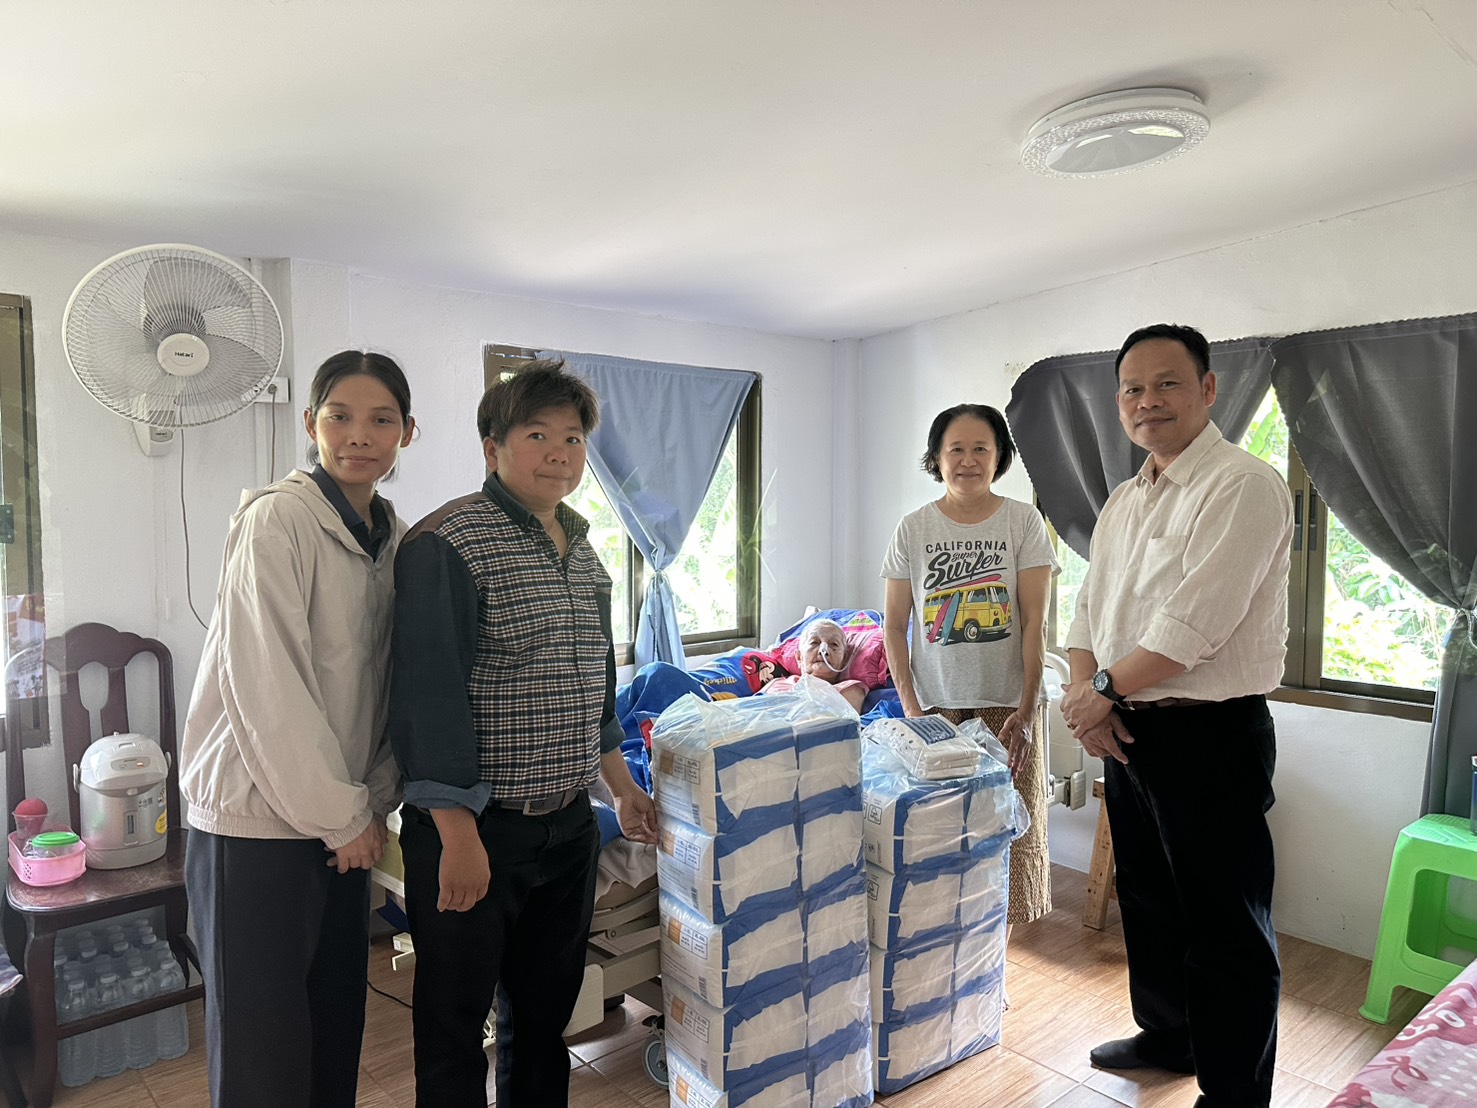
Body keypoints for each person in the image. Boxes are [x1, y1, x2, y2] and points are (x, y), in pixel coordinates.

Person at [387, 359, 658, 1107]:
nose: (558, 454)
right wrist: (458, 836)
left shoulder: (583, 547)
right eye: (537, 435)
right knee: (453, 1026)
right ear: (492, 447)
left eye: (572, 439)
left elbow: (593, 685)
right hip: (478, 831)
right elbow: (427, 699)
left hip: (568, 828)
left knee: (544, 1022)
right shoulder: (448, 543)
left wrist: (620, 786)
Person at [1060, 323, 1293, 1108]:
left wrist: (1098, 693)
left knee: (1225, 925)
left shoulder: (1242, 485)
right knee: (1150, 900)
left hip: (1210, 734)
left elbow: (1196, 625)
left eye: (1166, 383)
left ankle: (1233, 1095)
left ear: (1207, 388)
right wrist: (1088, 698)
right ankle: (1170, 1037)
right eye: (1132, 389)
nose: (1146, 401)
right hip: (1127, 727)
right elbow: (1088, 609)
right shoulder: (1125, 498)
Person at [181, 350, 415, 1108]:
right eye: (340, 416)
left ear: (407, 432)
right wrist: (346, 815)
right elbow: (268, 686)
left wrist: (369, 803)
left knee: (331, 1031)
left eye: (381, 419)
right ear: (310, 423)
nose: (360, 436)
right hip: (255, 824)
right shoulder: (276, 522)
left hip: (342, 824)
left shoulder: (392, 537)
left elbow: (386, 684)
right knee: (262, 1053)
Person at [880, 403, 1059, 937]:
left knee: (1007, 836)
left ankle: (991, 964)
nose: (968, 460)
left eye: (981, 448)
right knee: (940, 837)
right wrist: (913, 711)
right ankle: (944, 953)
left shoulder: (1022, 521)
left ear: (999, 457)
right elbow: (894, 626)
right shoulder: (913, 529)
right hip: (937, 710)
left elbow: (1035, 623)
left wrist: (1026, 710)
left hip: (1008, 708)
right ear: (936, 458)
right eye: (955, 449)